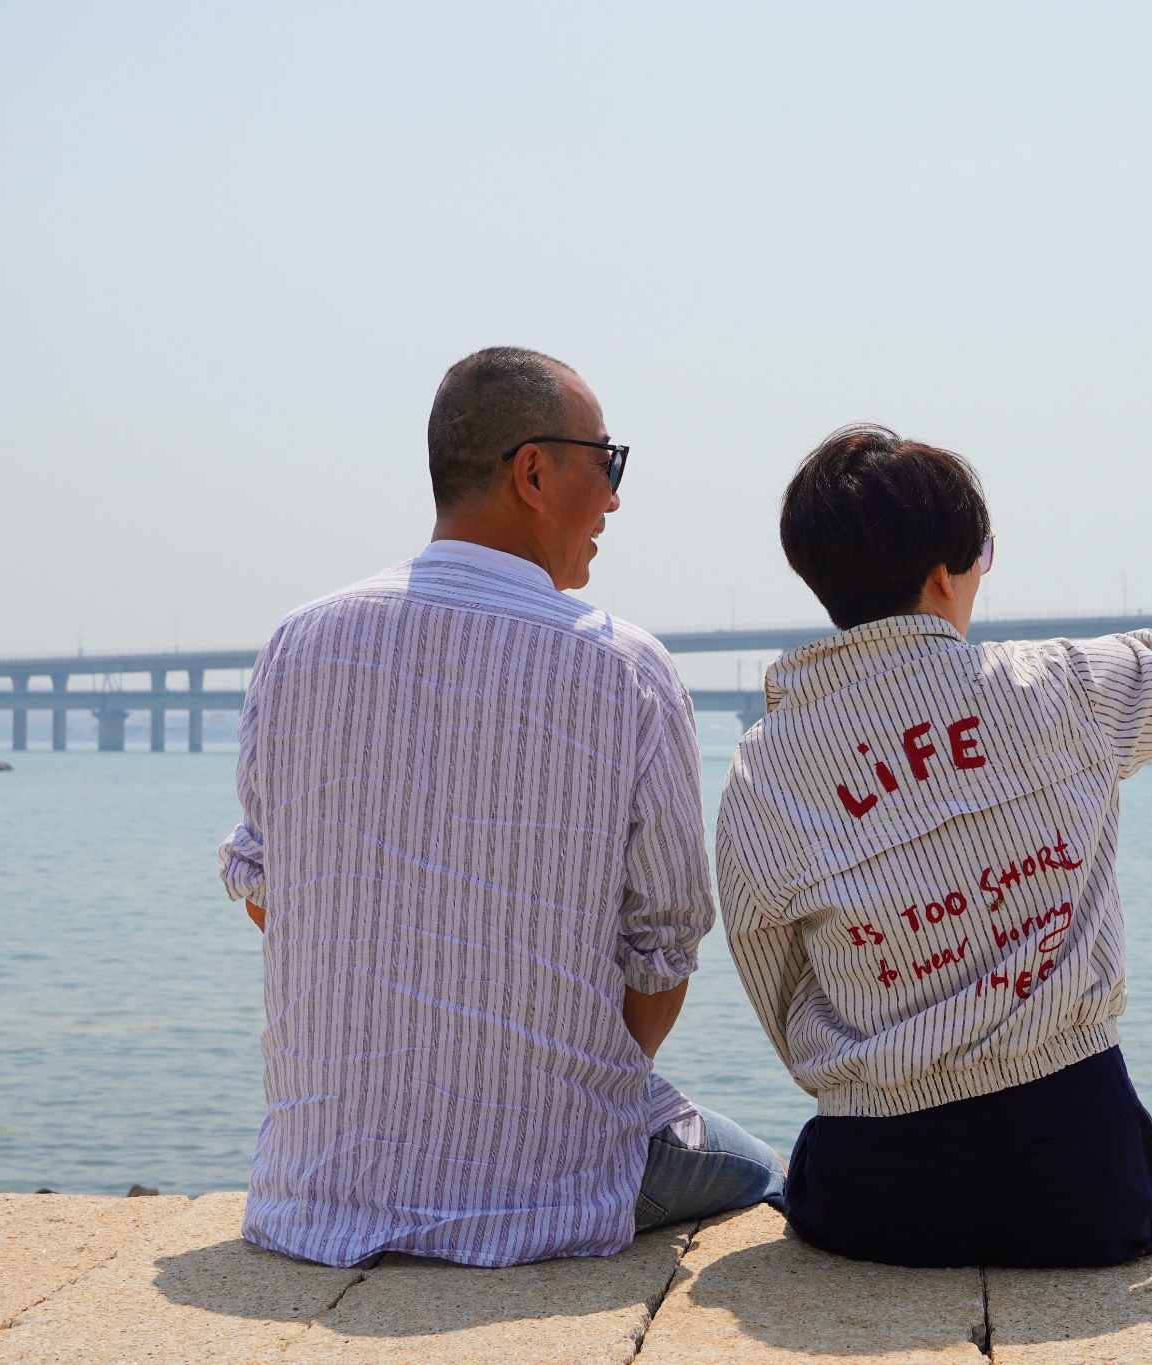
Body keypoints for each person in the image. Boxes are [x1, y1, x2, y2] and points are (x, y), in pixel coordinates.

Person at [714, 424, 1152, 1267]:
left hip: (874, 1197)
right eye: (982, 556)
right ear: (943, 574)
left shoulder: (761, 769)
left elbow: (774, 978)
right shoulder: (1058, 687)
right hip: (1083, 1181)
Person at [217, 347, 781, 1269]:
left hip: (315, 1190)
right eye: (606, 462)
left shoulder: (299, 641)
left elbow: (266, 894)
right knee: (768, 1174)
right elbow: (663, 946)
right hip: (550, 1190)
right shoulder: (625, 670)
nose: (614, 498)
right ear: (533, 472)